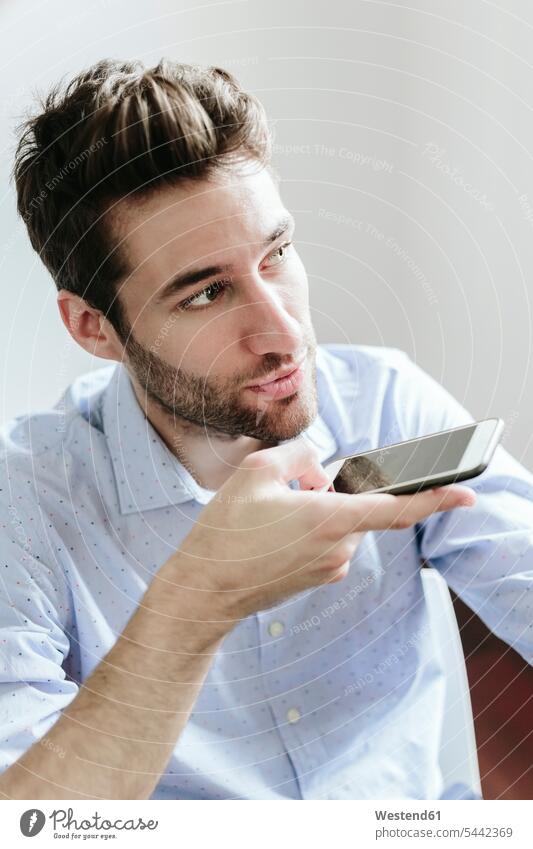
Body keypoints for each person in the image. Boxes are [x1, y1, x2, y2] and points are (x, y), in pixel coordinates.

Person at [0, 58, 530, 801]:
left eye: (276, 255)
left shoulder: (384, 402)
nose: (284, 335)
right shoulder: (25, 498)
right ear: (95, 327)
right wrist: (198, 596)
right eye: (206, 293)